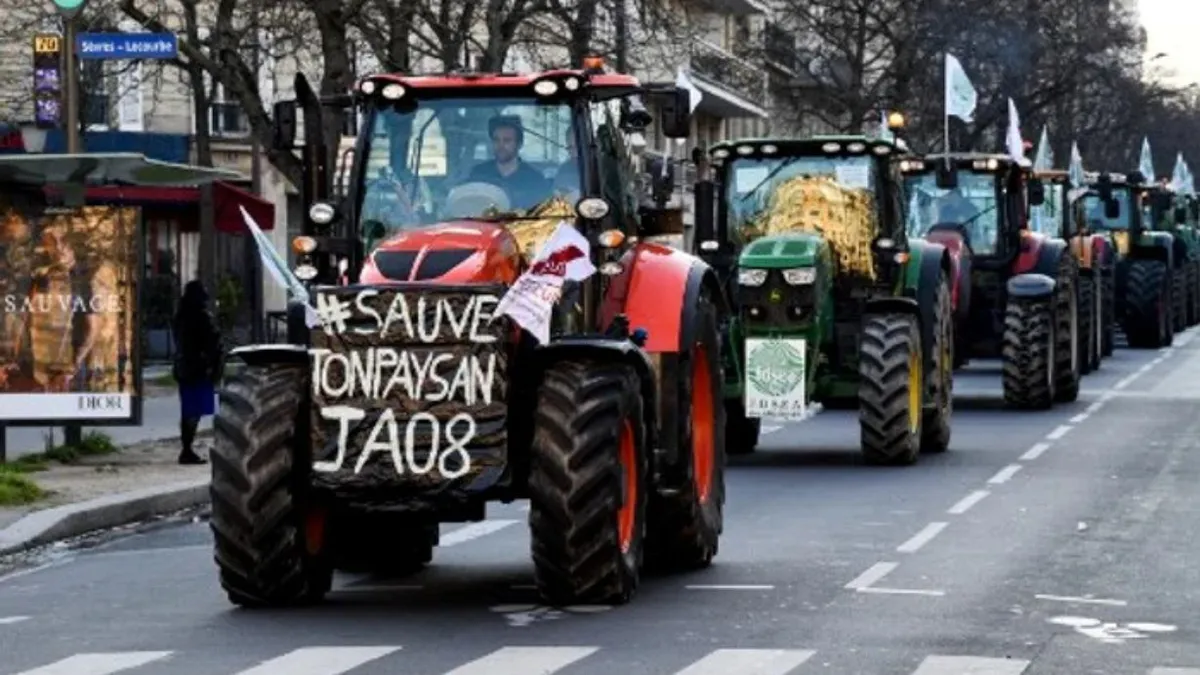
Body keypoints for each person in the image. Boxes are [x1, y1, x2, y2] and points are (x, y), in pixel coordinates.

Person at [172, 280, 222, 465]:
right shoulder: (201, 316)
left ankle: (187, 447)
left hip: (184, 367)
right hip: (199, 369)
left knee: (189, 410)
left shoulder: (180, 315)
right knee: (195, 411)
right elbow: (213, 342)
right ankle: (187, 449)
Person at [465, 115, 551, 210]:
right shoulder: (478, 174)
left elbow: (544, 217)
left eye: (507, 140)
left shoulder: (535, 180)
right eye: (496, 140)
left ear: (519, 144)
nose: (500, 145)